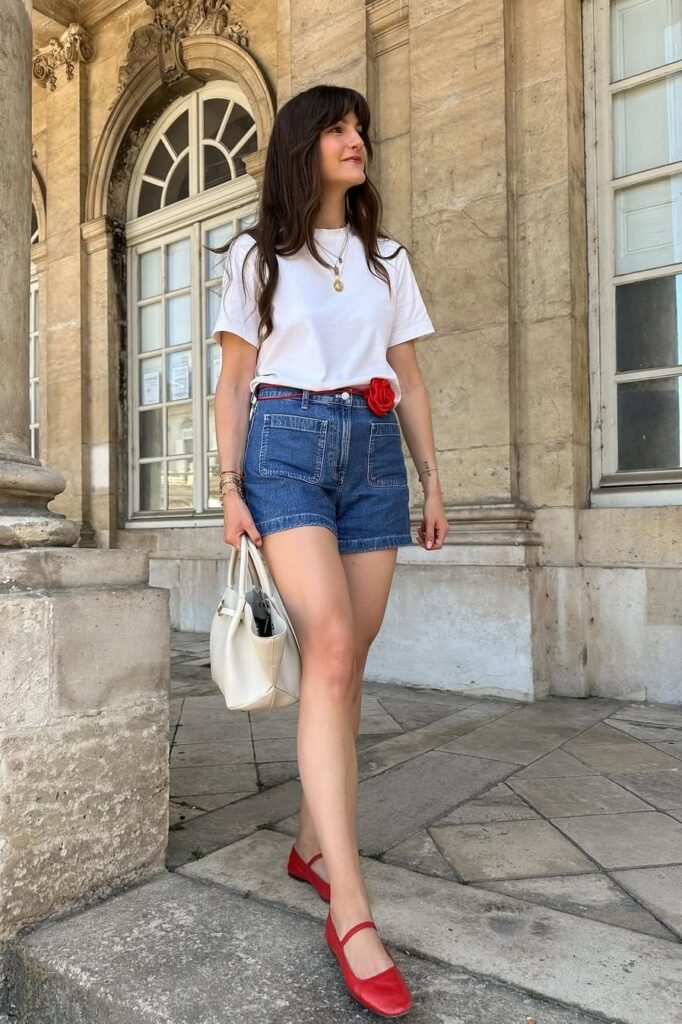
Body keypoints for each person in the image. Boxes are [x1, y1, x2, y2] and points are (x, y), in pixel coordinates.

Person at [211, 83, 448, 1018]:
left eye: (361, 128)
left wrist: (433, 478)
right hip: (285, 451)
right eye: (338, 129)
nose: (357, 141)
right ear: (302, 147)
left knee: (345, 668)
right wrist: (227, 491)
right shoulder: (255, 257)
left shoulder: (387, 258)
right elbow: (233, 386)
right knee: (334, 650)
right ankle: (349, 907)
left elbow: (413, 380)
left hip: (375, 457)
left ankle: (314, 845)